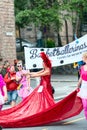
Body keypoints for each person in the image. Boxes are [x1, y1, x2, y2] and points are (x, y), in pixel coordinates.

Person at [77, 52, 87, 120]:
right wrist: (77, 85)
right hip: (83, 87)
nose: (82, 59)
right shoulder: (82, 67)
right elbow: (81, 77)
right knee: (85, 106)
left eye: (82, 57)